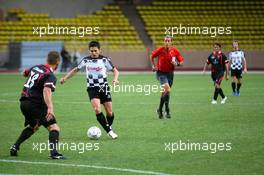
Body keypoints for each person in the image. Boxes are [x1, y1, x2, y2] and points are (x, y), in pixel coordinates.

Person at [10, 51, 65, 159]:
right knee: (54, 127)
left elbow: (24, 73)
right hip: (35, 104)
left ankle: (15, 146)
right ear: (58, 61)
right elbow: (46, 90)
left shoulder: (36, 67)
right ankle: (54, 154)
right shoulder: (50, 75)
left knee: (34, 125)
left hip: (23, 102)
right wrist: (50, 108)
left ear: (47, 59)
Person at [60, 41, 119, 139]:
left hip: (104, 88)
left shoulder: (105, 60)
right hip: (92, 88)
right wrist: (65, 78)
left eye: (95, 51)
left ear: (99, 50)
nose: (94, 53)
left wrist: (115, 79)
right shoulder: (86, 60)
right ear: (89, 51)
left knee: (110, 112)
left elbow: (115, 71)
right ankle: (110, 131)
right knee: (97, 109)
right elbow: (75, 70)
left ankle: (108, 126)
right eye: (91, 51)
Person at [150, 35, 184, 119]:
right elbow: (151, 55)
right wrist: (153, 66)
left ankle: (160, 110)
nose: (167, 42)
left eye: (168, 41)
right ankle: (167, 109)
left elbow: (182, 61)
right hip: (161, 73)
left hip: (170, 74)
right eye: (165, 40)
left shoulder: (175, 51)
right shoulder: (160, 50)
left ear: (171, 42)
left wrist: (177, 64)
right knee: (167, 89)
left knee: (166, 92)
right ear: (164, 41)